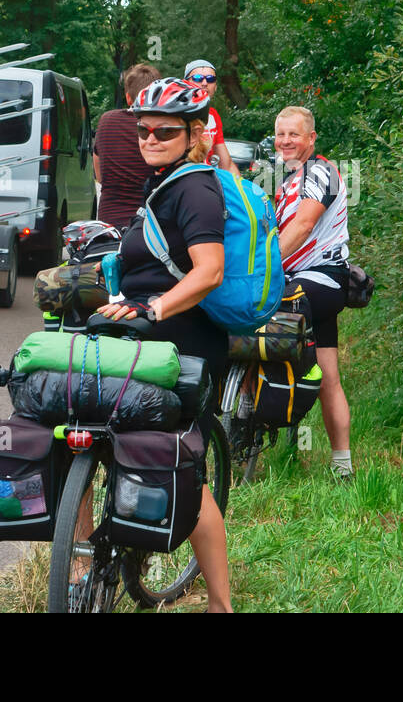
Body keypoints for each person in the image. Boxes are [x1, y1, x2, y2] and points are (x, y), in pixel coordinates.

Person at [96, 77, 233, 612]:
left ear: (194, 133)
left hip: (185, 340)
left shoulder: (196, 188)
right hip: (142, 333)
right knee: (80, 425)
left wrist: (153, 307)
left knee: (179, 465)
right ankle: (83, 561)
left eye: (165, 131)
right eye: (144, 130)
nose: (150, 138)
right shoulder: (163, 182)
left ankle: (221, 604)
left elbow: (210, 272)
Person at [271, 106, 354, 479]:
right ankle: (342, 464)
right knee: (328, 375)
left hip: (322, 279)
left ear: (311, 138)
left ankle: (269, 407)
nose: (285, 141)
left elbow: (304, 225)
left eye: (294, 134)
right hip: (308, 280)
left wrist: (265, 267)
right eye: (280, 134)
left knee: (261, 308)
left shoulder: (320, 171)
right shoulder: (288, 179)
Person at [93, 62, 160, 229]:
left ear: (128, 97)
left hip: (109, 222)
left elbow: (99, 175)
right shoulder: (162, 130)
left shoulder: (107, 120)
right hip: (149, 223)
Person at [183, 59, 235, 174]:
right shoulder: (177, 113)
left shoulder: (213, 115)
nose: (205, 83)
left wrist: (242, 189)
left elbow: (227, 164)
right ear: (185, 83)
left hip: (207, 180)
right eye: (197, 78)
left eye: (210, 79)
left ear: (215, 87)